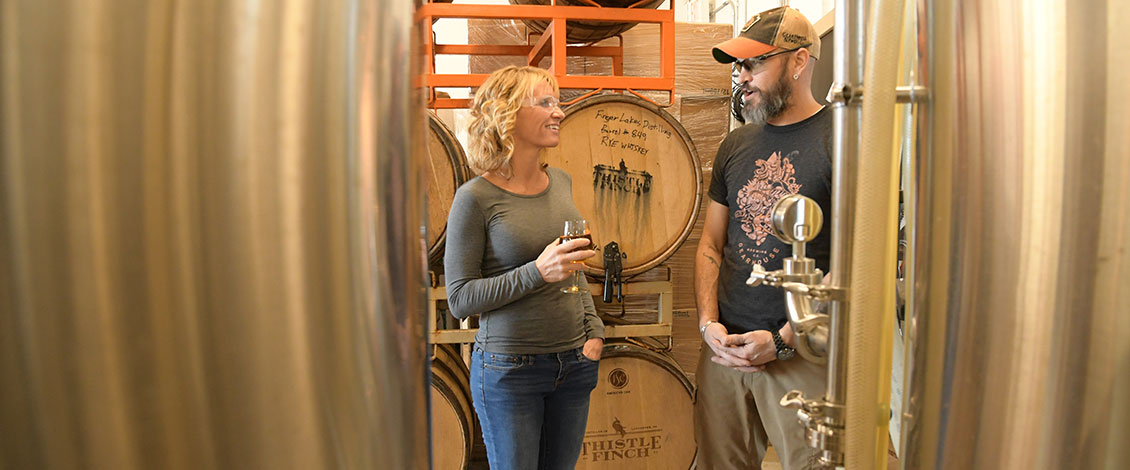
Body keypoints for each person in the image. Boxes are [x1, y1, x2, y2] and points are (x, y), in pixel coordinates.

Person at [444, 65, 606, 470]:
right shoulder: (474, 198)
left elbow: (573, 268)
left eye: (558, 102)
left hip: (573, 362)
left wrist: (594, 333)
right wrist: (536, 271)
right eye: (546, 102)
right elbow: (460, 300)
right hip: (509, 372)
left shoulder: (563, 182)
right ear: (508, 114)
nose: (560, 112)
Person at [693, 6, 832, 469]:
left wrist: (785, 339)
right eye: (738, 66)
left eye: (754, 64)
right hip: (724, 352)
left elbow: (860, 258)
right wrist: (708, 324)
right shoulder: (737, 144)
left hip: (801, 356)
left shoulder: (840, 139)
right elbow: (712, 245)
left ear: (798, 61)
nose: (741, 76)